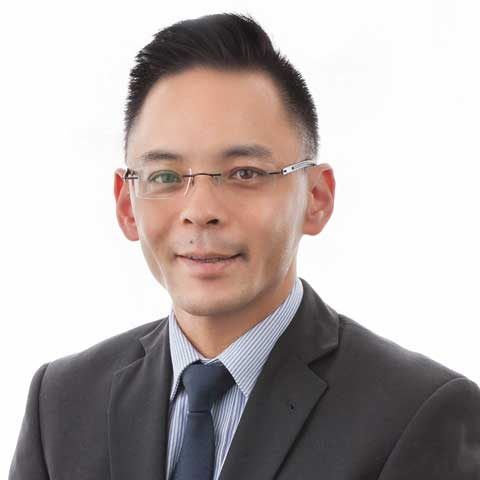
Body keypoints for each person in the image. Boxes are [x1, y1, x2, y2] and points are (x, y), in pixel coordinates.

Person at [9, 12, 480, 480]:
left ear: (316, 198)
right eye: (166, 176)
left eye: (245, 173)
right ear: (126, 205)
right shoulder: (61, 404)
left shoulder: (417, 414)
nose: (200, 210)